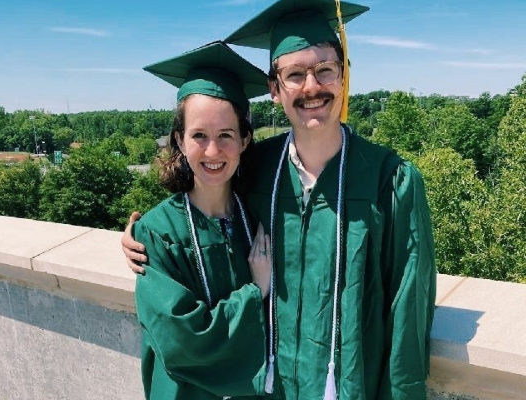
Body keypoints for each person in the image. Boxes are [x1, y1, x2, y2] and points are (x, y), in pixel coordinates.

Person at [124, 0, 437, 398]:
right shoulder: (258, 171)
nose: (311, 87)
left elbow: (408, 314)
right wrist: (136, 236)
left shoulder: (390, 182)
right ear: (275, 89)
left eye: (325, 70)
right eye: (295, 75)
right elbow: (200, 200)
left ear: (343, 77)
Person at [131, 41, 271, 400]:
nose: (212, 151)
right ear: (179, 140)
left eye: (226, 135)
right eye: (199, 136)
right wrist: (256, 292)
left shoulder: (259, 219)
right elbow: (183, 343)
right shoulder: (157, 232)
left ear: (244, 140)